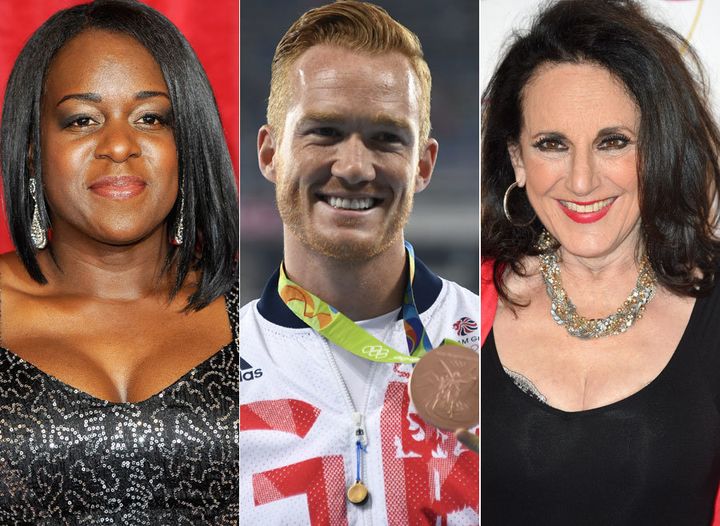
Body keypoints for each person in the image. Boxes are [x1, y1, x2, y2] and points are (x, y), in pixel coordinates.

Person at [239, 1, 479, 523]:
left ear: (423, 165)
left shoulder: (496, 341)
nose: (353, 167)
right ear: (269, 153)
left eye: (386, 137)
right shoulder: (210, 368)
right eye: (323, 131)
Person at [481, 0, 720, 524]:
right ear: (518, 159)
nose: (583, 181)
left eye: (613, 142)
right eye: (552, 145)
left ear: (657, 148)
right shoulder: (461, 303)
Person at [0, 0, 238, 523]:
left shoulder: (269, 315)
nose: (119, 145)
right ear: (34, 150)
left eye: (150, 117)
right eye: (82, 120)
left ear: (186, 142)